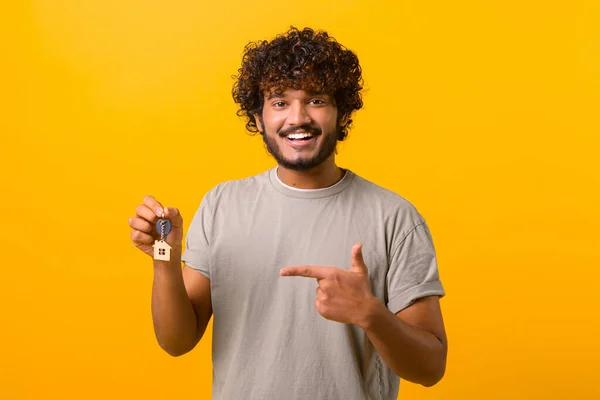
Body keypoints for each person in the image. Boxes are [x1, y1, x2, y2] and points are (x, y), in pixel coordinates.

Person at [129, 26, 447, 400]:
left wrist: (370, 314)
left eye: (316, 100)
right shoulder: (221, 205)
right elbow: (176, 341)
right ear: (260, 119)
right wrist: (164, 257)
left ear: (342, 114)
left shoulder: (395, 217)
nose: (298, 117)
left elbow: (430, 369)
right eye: (279, 102)